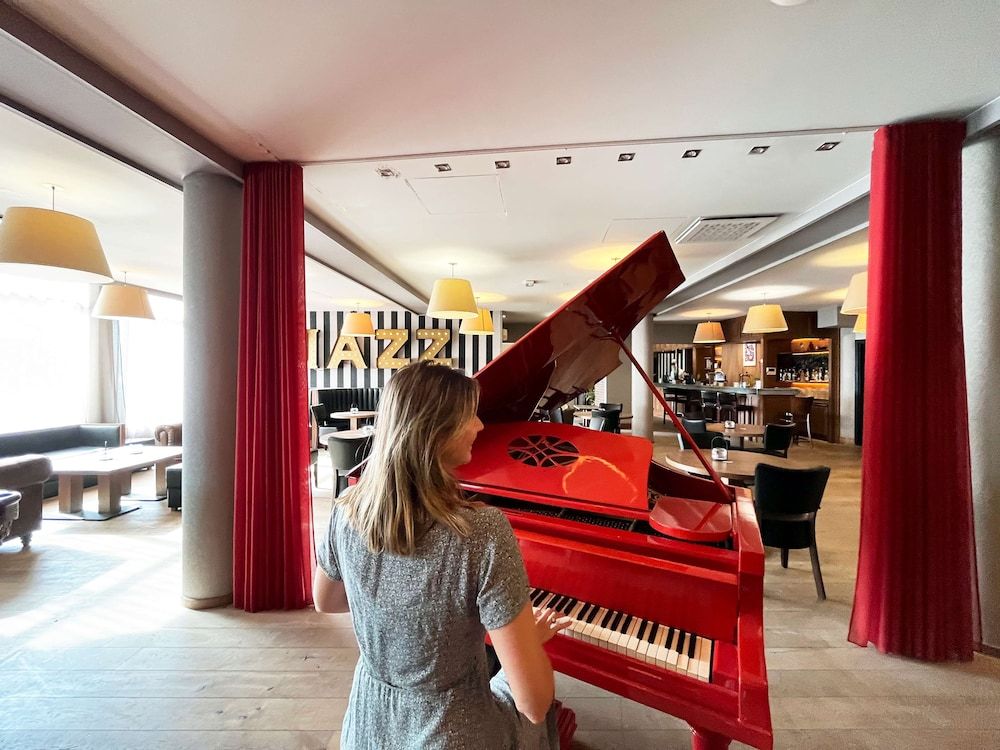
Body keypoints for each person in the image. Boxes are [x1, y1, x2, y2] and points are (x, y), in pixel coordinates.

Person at [313, 361, 570, 749]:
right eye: (469, 417)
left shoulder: (347, 507)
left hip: (367, 727)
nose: (480, 426)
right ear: (436, 431)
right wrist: (528, 643)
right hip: (452, 732)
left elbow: (326, 601)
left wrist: (398, 613)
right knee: (542, 715)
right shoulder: (481, 531)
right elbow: (532, 703)